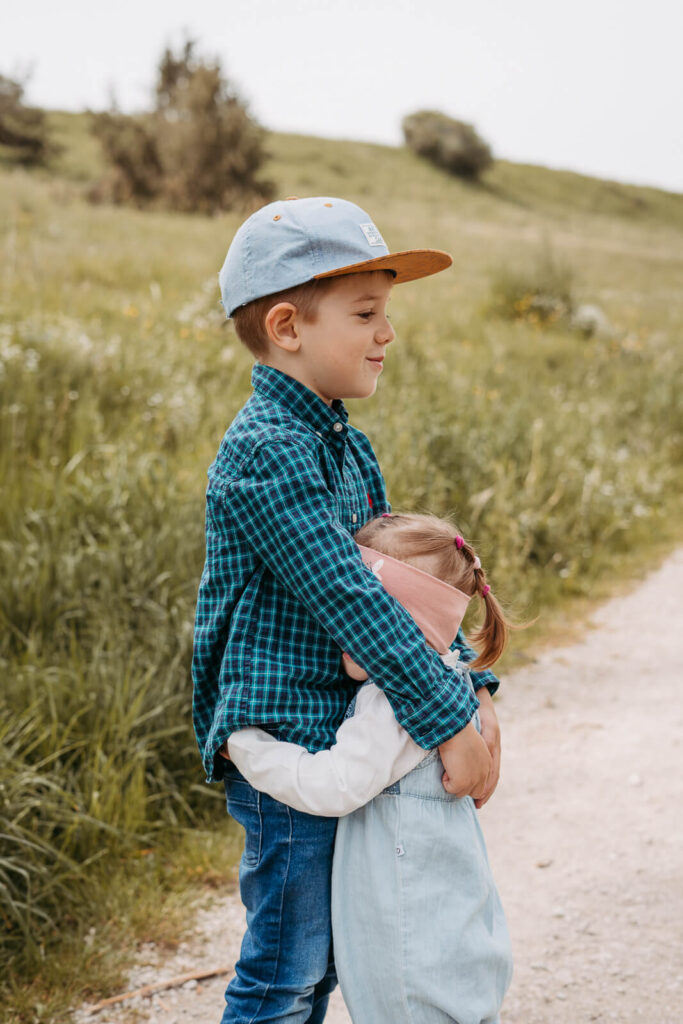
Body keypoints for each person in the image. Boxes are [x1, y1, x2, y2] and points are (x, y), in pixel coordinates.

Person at [191, 196, 503, 1024]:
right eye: (366, 313)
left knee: (339, 951)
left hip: (341, 731)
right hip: (288, 739)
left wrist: (470, 688)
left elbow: (400, 592)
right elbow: (351, 600)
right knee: (288, 968)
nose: (386, 334)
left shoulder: (340, 441)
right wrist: (446, 723)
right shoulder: (264, 454)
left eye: (386, 313)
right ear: (288, 327)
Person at [227, 511, 514, 1023]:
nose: (343, 628)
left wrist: (248, 747)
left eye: (363, 616)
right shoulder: (448, 678)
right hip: (450, 938)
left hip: (412, 952)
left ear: (404, 626)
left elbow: (335, 785)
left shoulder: (393, 703)